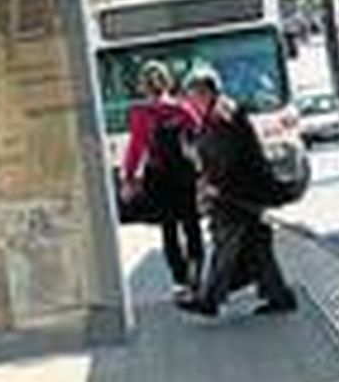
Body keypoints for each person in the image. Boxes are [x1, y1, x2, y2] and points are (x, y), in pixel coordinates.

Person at [176, 67, 297, 317]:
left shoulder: (221, 114)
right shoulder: (220, 110)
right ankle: (279, 295)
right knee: (257, 246)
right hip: (242, 192)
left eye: (193, 97)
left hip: (235, 195)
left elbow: (225, 154)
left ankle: (209, 300)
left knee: (225, 244)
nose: (191, 103)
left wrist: (213, 184)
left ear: (205, 93)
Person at [120, 61, 204, 300]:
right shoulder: (183, 109)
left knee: (169, 230)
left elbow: (135, 149)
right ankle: (196, 276)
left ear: (142, 86)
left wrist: (128, 178)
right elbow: (201, 140)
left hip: (158, 177)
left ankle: (180, 281)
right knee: (192, 226)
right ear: (167, 82)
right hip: (184, 176)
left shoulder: (140, 114)